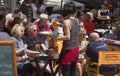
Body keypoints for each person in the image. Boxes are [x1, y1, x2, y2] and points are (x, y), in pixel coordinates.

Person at [56, 2, 79, 76]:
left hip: (68, 49)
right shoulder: (76, 20)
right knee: (73, 71)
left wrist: (55, 37)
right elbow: (73, 31)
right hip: (75, 48)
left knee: (66, 72)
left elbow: (67, 37)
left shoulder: (66, 22)